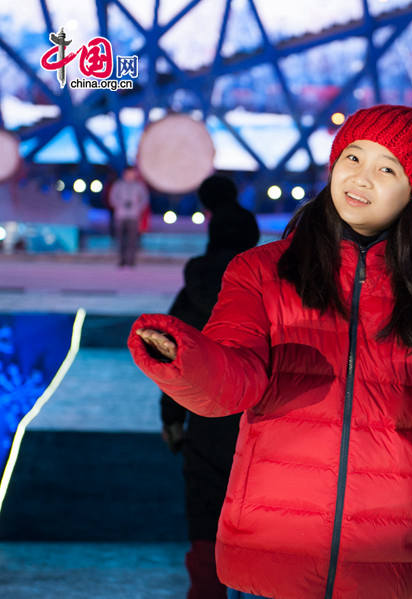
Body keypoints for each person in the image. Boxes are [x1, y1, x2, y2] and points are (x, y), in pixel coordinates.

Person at [128, 104, 412, 599]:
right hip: (273, 552)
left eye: (386, 169)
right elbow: (232, 381)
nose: (361, 178)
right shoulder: (261, 273)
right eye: (353, 157)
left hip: (382, 559)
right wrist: (184, 358)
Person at [160, 174, 260, 599]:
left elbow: (173, 354)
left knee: (205, 510)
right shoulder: (266, 292)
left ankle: (207, 589)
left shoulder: (197, 287)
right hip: (258, 420)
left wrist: (171, 419)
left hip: (204, 416)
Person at [108, 167, 150, 267]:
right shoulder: (118, 185)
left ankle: (131, 261)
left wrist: (137, 208)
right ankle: (122, 260)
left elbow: (144, 200)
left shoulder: (139, 186)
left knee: (132, 239)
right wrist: (119, 205)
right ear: (124, 174)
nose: (130, 176)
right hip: (121, 215)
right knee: (121, 239)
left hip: (134, 215)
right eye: (128, 174)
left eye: (132, 174)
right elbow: (112, 198)